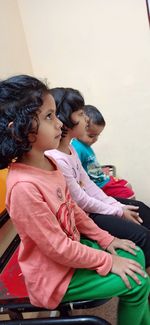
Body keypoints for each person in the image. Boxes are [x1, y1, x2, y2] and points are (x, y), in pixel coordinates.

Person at [0, 75, 149, 325]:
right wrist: (107, 260)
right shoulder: (23, 187)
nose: (60, 123)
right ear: (20, 131)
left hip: (70, 255)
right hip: (53, 276)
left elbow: (75, 211)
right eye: (49, 116)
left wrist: (106, 239)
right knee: (138, 283)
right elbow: (57, 247)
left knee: (137, 254)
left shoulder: (49, 164)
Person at [46, 87, 150, 275]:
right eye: (80, 113)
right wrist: (118, 211)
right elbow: (81, 201)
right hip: (84, 216)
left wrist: (117, 205)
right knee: (143, 236)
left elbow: (90, 186)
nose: (86, 118)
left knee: (141, 209)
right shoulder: (56, 158)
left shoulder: (70, 149)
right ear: (66, 119)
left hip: (92, 208)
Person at [71, 105, 135, 199]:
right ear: (79, 128)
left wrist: (100, 171)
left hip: (103, 179)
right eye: (91, 136)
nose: (95, 139)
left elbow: (89, 165)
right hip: (99, 185)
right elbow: (77, 172)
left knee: (127, 185)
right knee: (129, 195)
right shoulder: (77, 147)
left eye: (98, 135)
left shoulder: (86, 145)